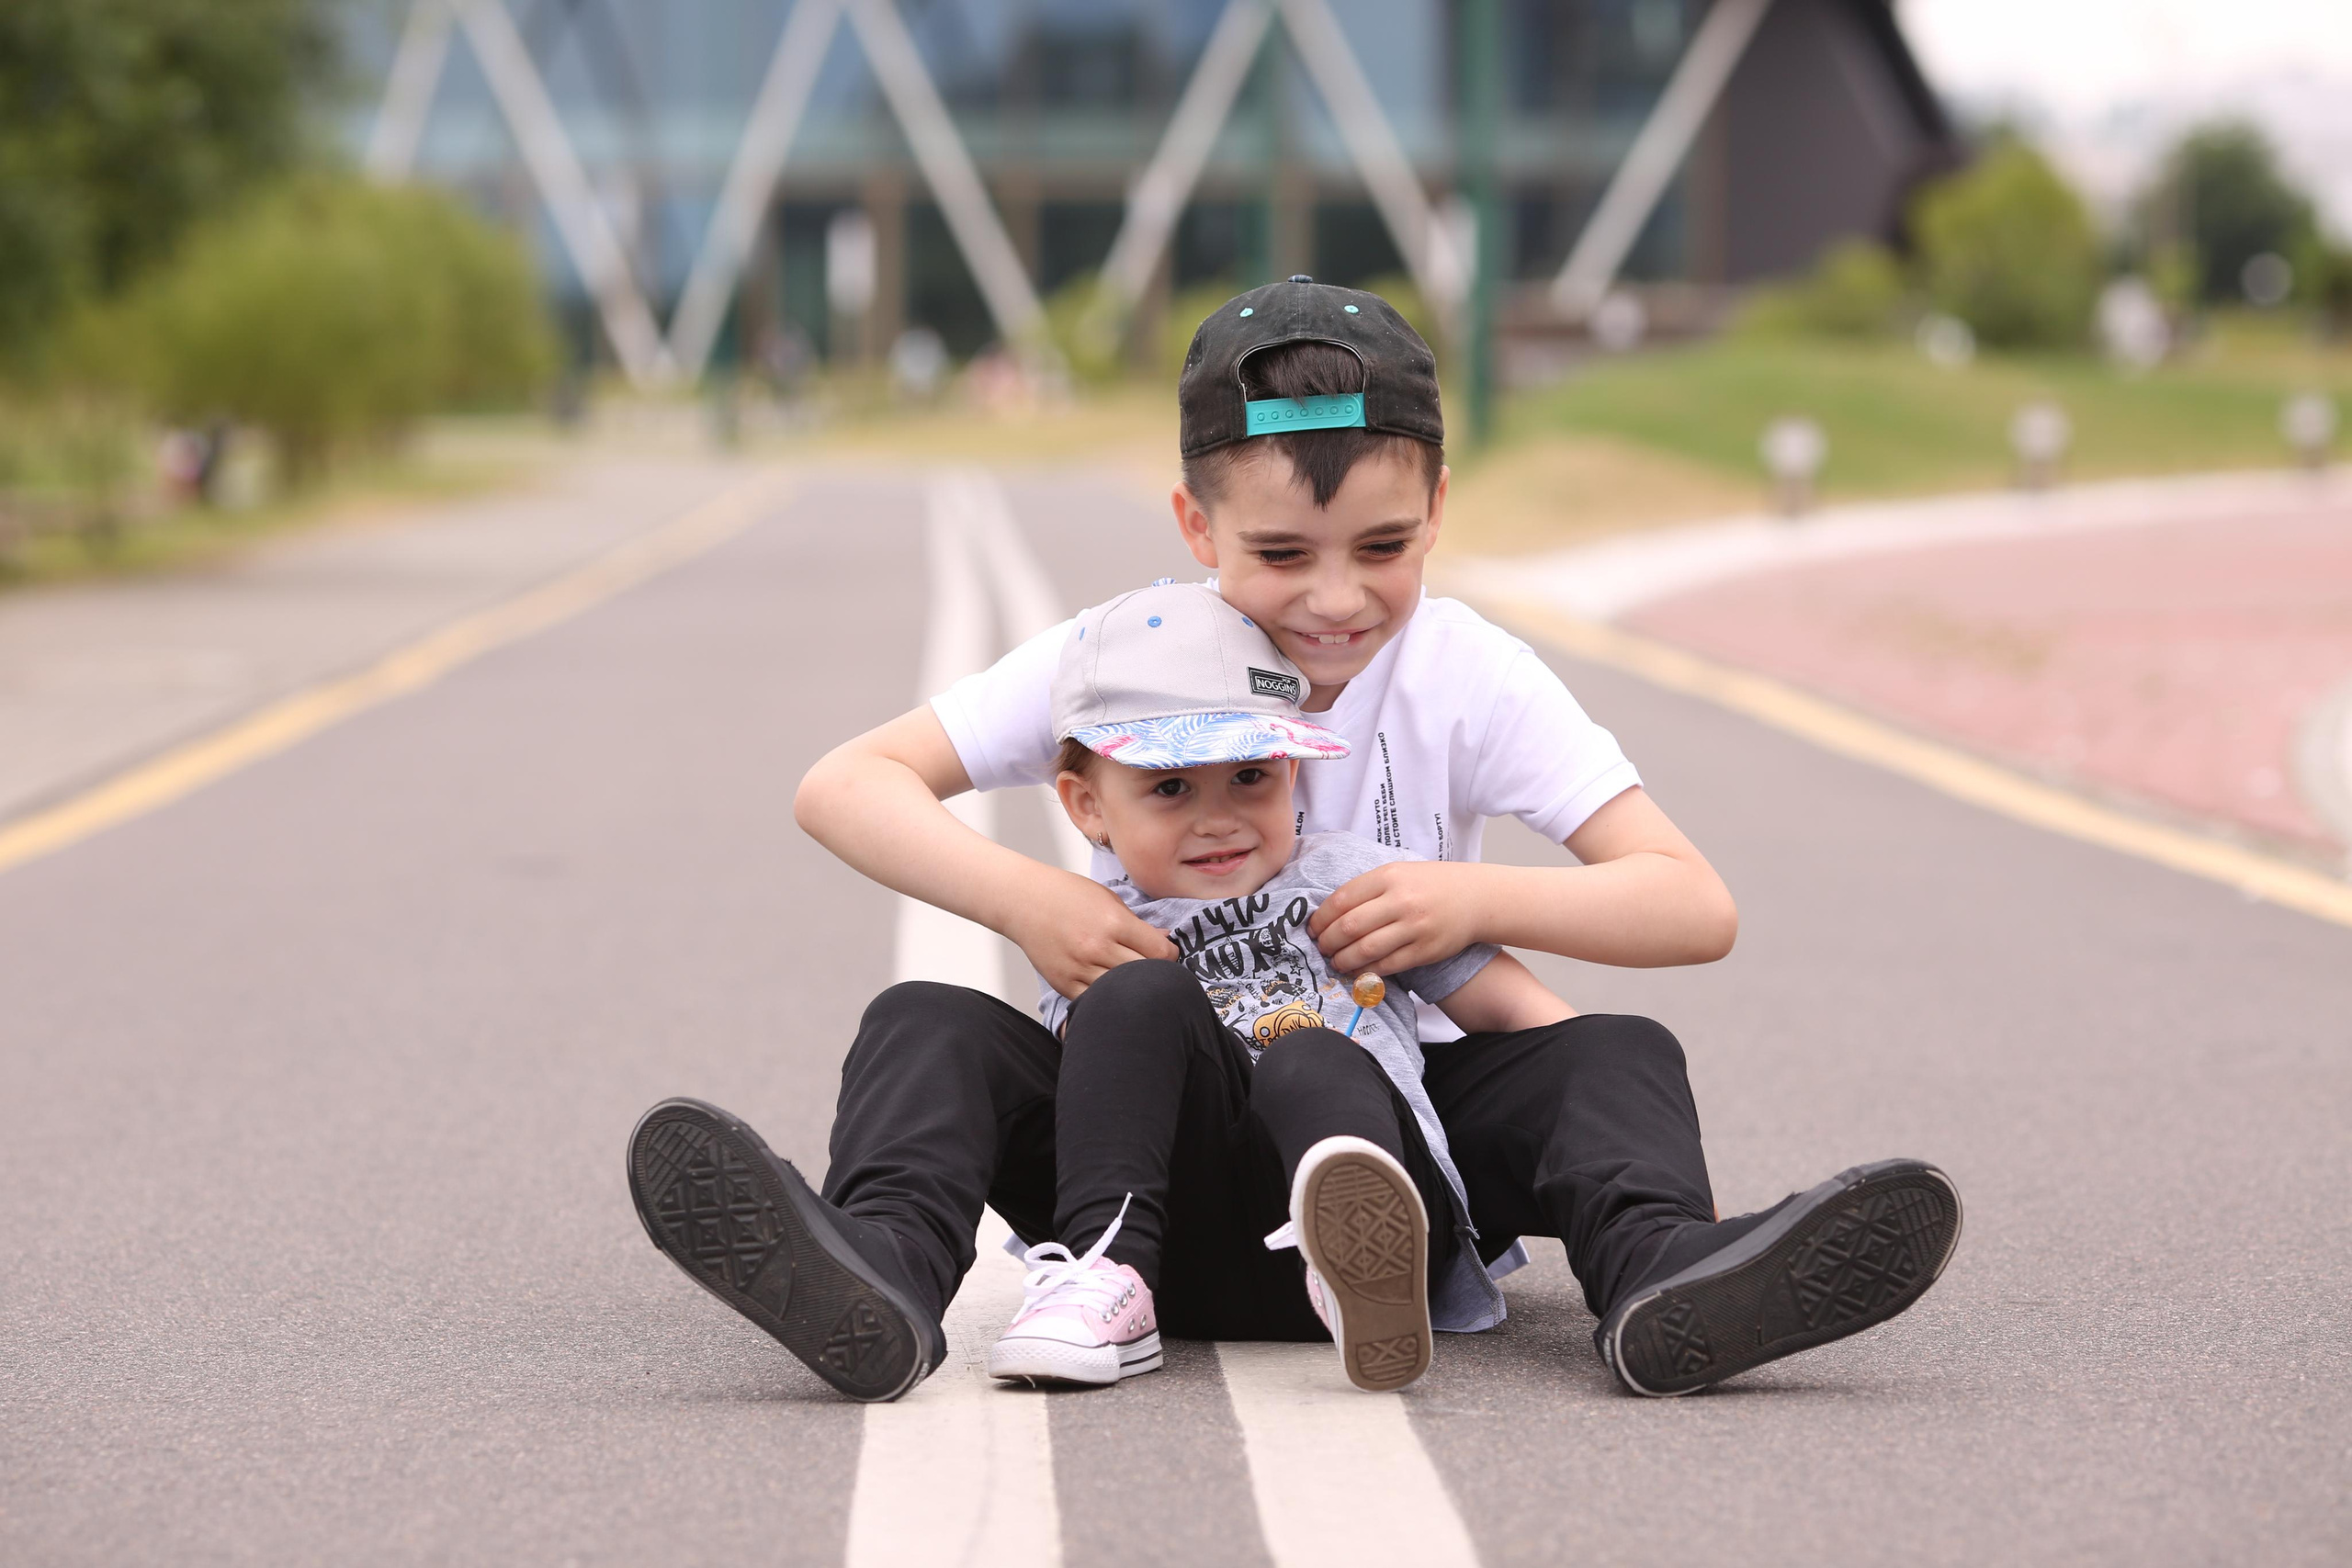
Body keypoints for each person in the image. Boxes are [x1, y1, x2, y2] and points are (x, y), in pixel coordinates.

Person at [626, 276, 1961, 1404]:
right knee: (928, 1016)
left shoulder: (1466, 671)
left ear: (1439, 503)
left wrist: (1472, 903)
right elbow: (845, 783)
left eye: (1383, 544)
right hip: (1137, 1141)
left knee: (1618, 1050)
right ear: (1197, 526)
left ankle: (1666, 1275)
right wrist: (1033, 901)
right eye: (1280, 552)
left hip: (1376, 1135)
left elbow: (1692, 903)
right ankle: (879, 1274)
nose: (1336, 598)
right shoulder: (1125, 658)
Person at [983, 580, 1575, 1393]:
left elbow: (1515, 1013)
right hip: (1189, 1248)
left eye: (1251, 777)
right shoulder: (1096, 926)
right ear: (1088, 806)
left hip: (1380, 1218)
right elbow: (1092, 1090)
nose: (1219, 816)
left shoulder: (1347, 882)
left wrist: (1590, 1111)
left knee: (1312, 1057)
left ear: (1292, 772)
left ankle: (1357, 1267)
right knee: (1129, 998)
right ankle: (1103, 1275)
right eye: (1171, 787)